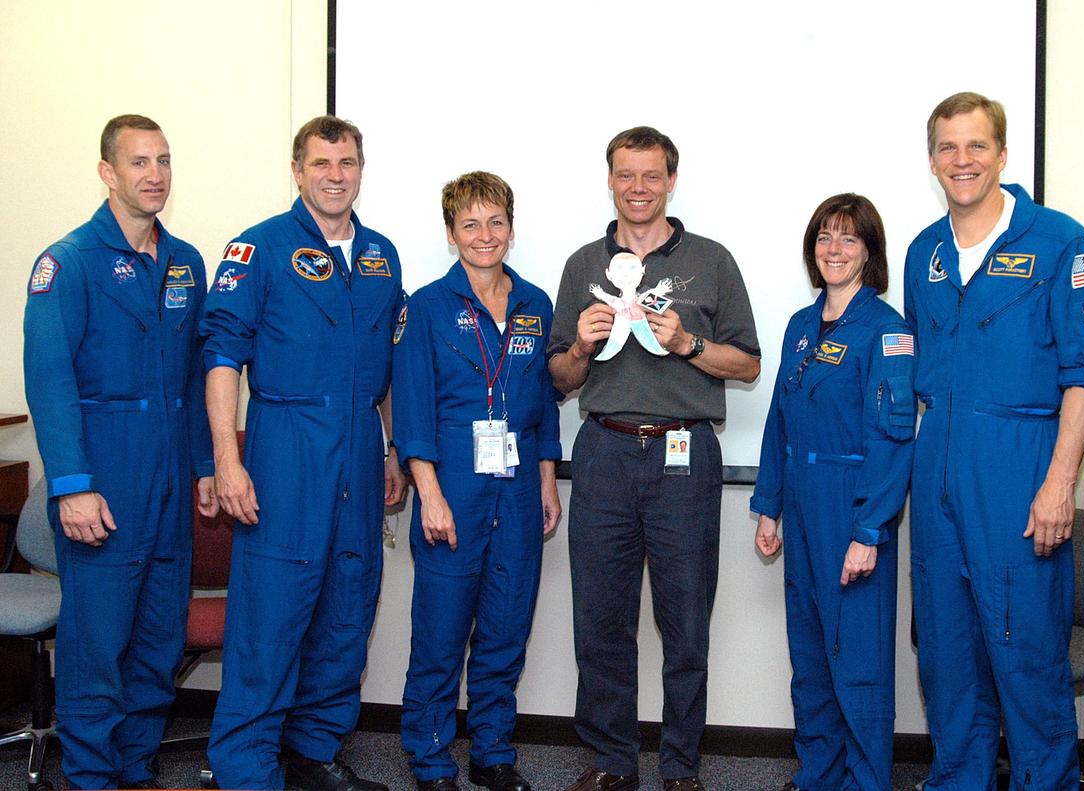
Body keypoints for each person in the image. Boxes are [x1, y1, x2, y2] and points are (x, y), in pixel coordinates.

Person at [903, 92, 1084, 791]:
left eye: (976, 146)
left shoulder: (1058, 240)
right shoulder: (923, 252)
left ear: (1002, 154)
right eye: (948, 148)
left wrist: (1059, 483)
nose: (962, 161)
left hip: (1019, 466)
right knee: (947, 654)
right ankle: (959, 778)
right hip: (937, 469)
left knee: (1026, 657)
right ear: (932, 159)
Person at [548, 126, 760, 791]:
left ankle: (680, 768)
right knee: (601, 620)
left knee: (686, 621)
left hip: (683, 452)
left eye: (651, 175)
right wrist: (580, 348)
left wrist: (690, 344)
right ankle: (611, 761)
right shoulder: (584, 264)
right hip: (605, 449)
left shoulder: (712, 260)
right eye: (625, 175)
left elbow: (748, 363)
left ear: (671, 179)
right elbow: (558, 377)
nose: (638, 188)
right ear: (609, 180)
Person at [200, 115, 406, 791]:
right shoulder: (256, 249)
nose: (335, 174)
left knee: (349, 603)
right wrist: (228, 461)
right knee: (273, 610)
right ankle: (246, 766)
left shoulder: (380, 255)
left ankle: (314, 751)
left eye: (347, 162)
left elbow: (385, 367)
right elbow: (224, 355)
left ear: (360, 169)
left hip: (358, 446)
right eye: (321, 162)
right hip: (286, 445)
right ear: (297, 170)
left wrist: (393, 450)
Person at [22, 114, 217, 790]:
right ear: (107, 172)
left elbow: (193, 380)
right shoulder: (67, 262)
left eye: (163, 160)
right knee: (97, 645)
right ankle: (90, 776)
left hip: (167, 479)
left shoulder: (185, 262)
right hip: (103, 477)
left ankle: (135, 768)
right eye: (139, 162)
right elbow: (49, 380)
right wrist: (72, 485)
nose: (155, 175)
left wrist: (202, 468)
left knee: (159, 641)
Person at [394, 172, 562, 791]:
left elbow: (543, 406)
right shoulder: (426, 307)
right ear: (450, 234)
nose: (484, 236)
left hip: (518, 491)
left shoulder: (536, 306)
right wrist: (429, 495)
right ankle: (432, 758)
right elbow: (412, 410)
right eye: (470, 224)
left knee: (504, 630)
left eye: (495, 223)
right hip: (452, 492)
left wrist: (547, 481)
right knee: (439, 636)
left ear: (511, 230)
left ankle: (492, 751)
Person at [752, 194, 915, 791]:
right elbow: (779, 421)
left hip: (850, 505)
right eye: (824, 237)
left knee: (859, 661)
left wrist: (869, 530)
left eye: (848, 239)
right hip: (797, 502)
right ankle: (818, 774)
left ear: (869, 251)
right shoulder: (800, 324)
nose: (834, 250)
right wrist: (767, 504)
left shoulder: (888, 331)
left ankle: (866, 782)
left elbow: (893, 440)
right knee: (813, 657)